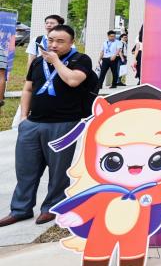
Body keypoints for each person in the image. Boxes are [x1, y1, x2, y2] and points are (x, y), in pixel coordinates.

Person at [0, 25, 94, 227]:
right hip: (33, 123)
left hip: (63, 123)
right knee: (26, 169)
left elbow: (72, 80)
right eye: (51, 40)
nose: (53, 45)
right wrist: (23, 117)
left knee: (58, 170)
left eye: (60, 41)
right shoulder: (38, 62)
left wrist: (56, 61)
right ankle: (20, 209)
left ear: (71, 43)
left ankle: (52, 207)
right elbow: (28, 89)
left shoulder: (80, 60)